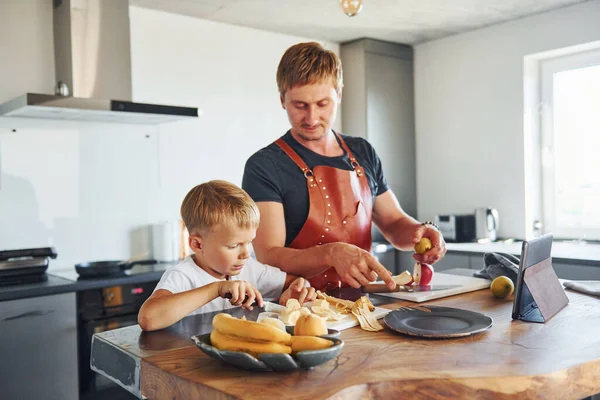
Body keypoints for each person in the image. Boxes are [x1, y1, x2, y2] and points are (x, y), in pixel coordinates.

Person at [242, 42, 446, 299]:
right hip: (297, 309)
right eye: (300, 105)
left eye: (322, 103)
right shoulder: (265, 165)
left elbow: (393, 222)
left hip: (362, 307)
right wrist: (330, 253)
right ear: (282, 100)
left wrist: (421, 232)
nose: (312, 118)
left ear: (339, 94)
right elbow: (269, 255)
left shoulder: (363, 152)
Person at [138, 180, 316, 331]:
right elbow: (148, 318)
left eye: (248, 242)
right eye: (234, 246)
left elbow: (293, 282)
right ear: (197, 244)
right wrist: (216, 289)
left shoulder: (250, 268)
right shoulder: (182, 276)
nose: (246, 254)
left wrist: (298, 290)